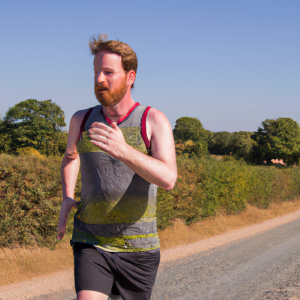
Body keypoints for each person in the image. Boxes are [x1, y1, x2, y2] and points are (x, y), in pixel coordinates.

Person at [57, 34, 177, 300]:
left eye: (108, 72)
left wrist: (124, 151)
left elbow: (168, 179)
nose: (99, 79)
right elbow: (71, 157)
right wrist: (67, 196)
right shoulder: (82, 119)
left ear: (130, 77)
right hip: (90, 240)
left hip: (139, 247)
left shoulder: (153, 120)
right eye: (96, 72)